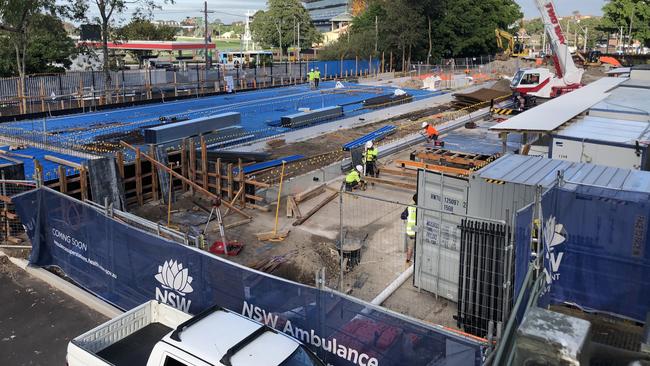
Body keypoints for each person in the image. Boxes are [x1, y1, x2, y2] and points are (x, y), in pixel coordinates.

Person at [401, 194, 418, 263]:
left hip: (411, 232)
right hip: (418, 231)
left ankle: (408, 260)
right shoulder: (422, 208)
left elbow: (402, 216)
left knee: (410, 248)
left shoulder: (410, 207)